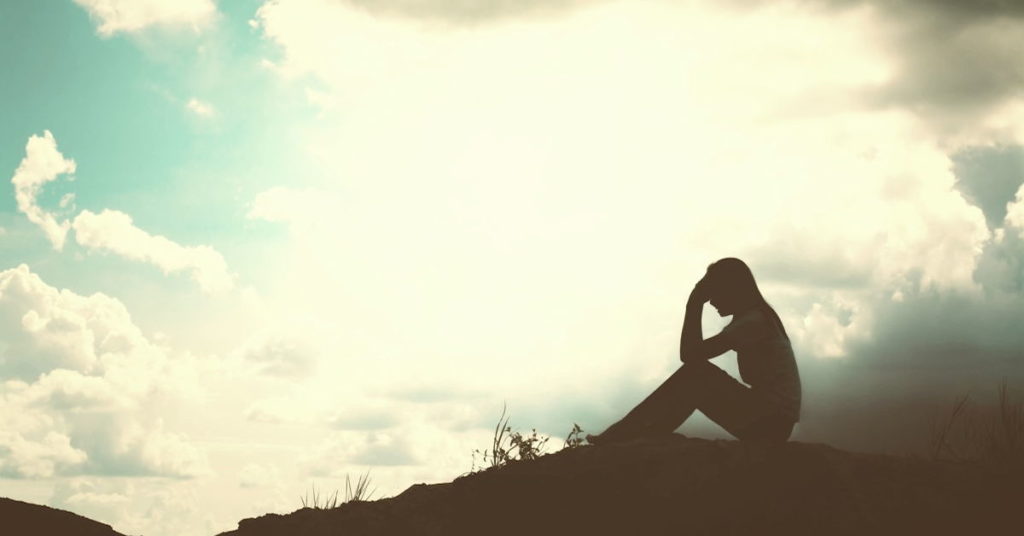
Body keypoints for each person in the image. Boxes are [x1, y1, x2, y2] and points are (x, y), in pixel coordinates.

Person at [587, 257, 801, 445]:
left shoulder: (753, 322)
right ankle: (643, 433)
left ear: (731, 289)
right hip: (770, 420)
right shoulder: (754, 319)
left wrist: (694, 303)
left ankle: (627, 432)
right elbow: (691, 355)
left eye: (714, 293)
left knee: (696, 374)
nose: (712, 302)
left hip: (770, 422)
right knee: (696, 375)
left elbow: (689, 355)